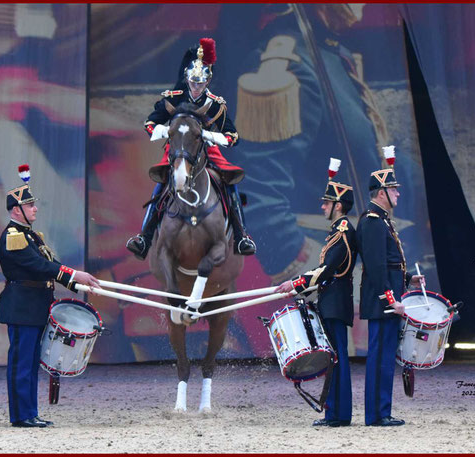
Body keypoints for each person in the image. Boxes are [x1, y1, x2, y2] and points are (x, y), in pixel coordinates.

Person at [223, 4, 388, 283]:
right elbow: (260, 205)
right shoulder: (289, 65)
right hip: (330, 276)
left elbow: (356, 155)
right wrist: (324, 278)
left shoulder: (327, 49)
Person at [125, 37, 256, 260]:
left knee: (228, 181)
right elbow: (150, 123)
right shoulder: (173, 99)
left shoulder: (216, 104)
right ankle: (144, 237)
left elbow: (232, 136)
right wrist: (166, 132)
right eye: (193, 83)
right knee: (163, 183)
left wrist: (208, 135)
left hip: (206, 149)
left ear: (207, 82)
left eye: (200, 83)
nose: (196, 87)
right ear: (187, 80)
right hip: (177, 149)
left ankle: (242, 235)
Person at [0, 163, 100, 428]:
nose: (35, 209)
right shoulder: (13, 235)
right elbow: (39, 266)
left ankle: (30, 412)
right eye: (30, 206)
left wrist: (79, 282)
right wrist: (74, 275)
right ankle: (21, 415)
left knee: (31, 364)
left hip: (35, 306)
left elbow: (49, 264)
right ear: (16, 210)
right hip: (22, 307)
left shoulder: (32, 236)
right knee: (22, 364)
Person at [275, 158, 356, 427]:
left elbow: (324, 270)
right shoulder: (336, 232)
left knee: (337, 360)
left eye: (326, 203)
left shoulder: (342, 233)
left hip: (335, 303)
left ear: (338, 205)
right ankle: (335, 413)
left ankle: (339, 415)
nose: (322, 207)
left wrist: (294, 284)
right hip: (331, 301)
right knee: (335, 359)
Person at [356, 146, 424, 426]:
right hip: (384, 304)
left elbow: (389, 264)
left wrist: (408, 280)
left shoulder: (382, 221)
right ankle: (376, 415)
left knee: (385, 359)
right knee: (380, 360)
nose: (398, 194)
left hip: (389, 301)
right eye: (394, 190)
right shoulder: (372, 222)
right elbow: (375, 267)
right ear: (382, 192)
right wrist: (390, 299)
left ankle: (382, 411)